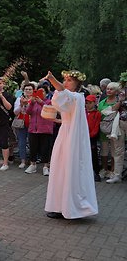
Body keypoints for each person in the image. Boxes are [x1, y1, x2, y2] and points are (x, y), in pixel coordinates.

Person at [43, 70, 98, 219]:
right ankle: (58, 206)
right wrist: (59, 121)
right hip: (65, 133)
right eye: (65, 80)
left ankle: (72, 207)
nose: (66, 83)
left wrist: (51, 79)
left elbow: (62, 92)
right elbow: (65, 108)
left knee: (70, 168)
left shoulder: (78, 97)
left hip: (73, 138)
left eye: (70, 81)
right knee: (59, 167)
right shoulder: (70, 97)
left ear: (77, 84)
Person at [85, 94, 102, 181]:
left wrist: (91, 135)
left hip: (92, 138)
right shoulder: (83, 112)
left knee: (93, 155)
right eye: (86, 103)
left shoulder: (97, 114)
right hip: (83, 137)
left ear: (94, 103)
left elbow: (96, 126)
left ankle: (96, 172)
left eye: (90, 103)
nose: (88, 105)